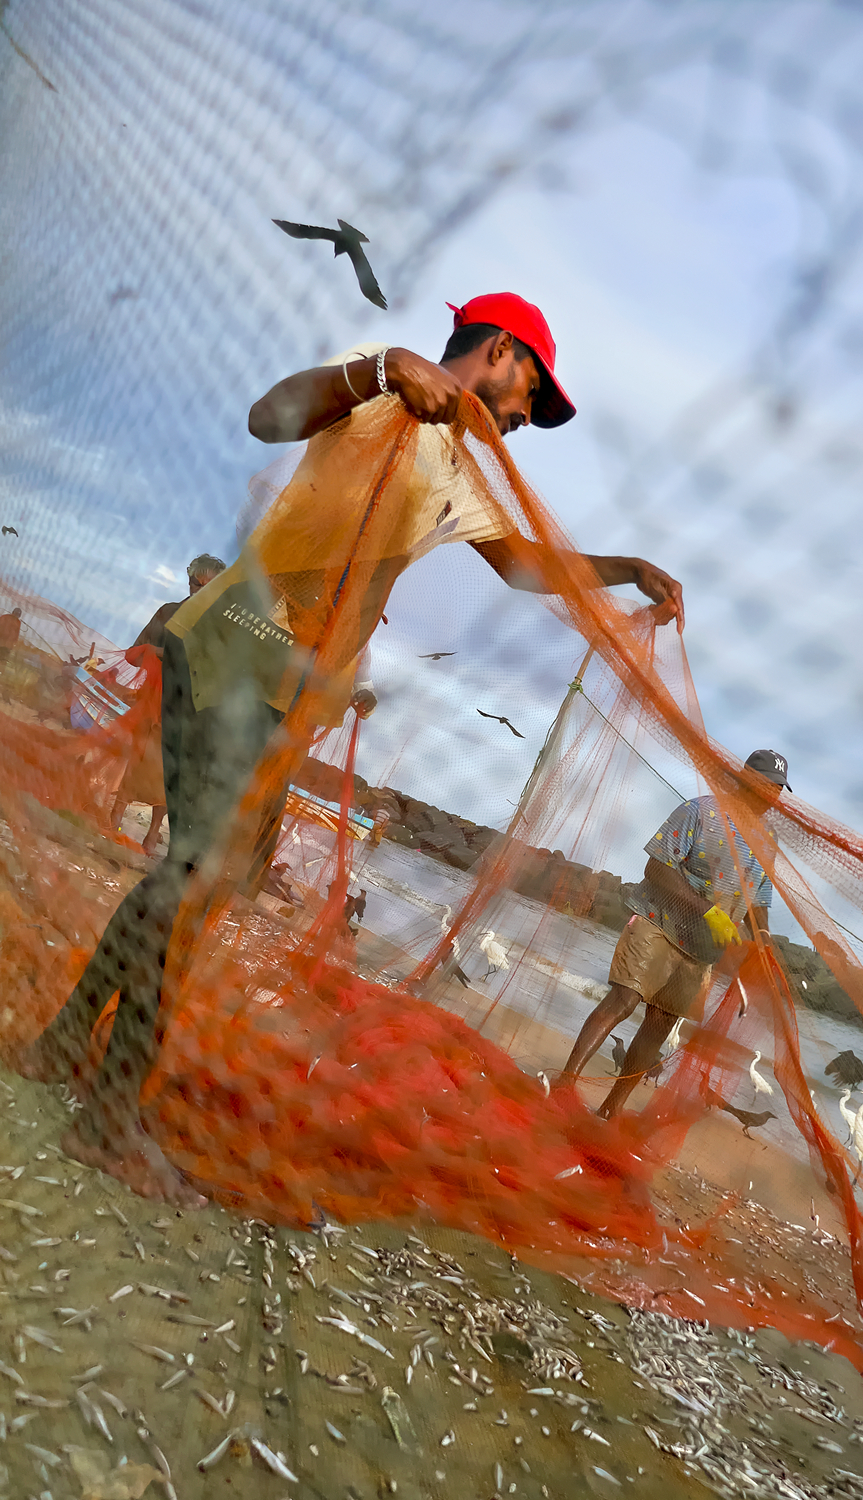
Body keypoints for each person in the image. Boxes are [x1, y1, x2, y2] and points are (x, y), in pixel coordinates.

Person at [23, 292, 685, 1206]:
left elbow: (527, 565)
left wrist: (624, 570)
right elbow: (268, 417)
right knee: (200, 881)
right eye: (532, 392)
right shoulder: (382, 386)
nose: (527, 418)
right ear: (498, 351)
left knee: (192, 876)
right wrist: (377, 371)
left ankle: (62, 1045)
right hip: (238, 643)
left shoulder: (460, 468)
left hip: (289, 688)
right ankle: (107, 1116)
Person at [560, 750, 791, 1118]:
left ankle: (610, 1111)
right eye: (767, 786)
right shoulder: (700, 811)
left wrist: (761, 934)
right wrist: (708, 910)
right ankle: (564, 1085)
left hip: (701, 949)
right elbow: (656, 867)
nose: (773, 797)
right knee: (624, 1000)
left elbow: (758, 897)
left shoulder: (768, 839)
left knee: (659, 1026)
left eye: (778, 790)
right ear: (746, 778)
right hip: (659, 920)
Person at [108, 555, 227, 854]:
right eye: (195, 583)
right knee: (139, 759)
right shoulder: (168, 612)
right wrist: (154, 652)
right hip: (153, 704)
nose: (200, 591)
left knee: (170, 770)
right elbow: (134, 654)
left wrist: (161, 653)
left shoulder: (219, 629)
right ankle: (115, 819)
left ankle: (151, 834)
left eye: (209, 587)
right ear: (188, 582)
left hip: (188, 710)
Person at [0, 606, 22, 697]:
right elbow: (15, 636)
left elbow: (16, 636)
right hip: (6, 646)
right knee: (2, 663)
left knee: (3, 663)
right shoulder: (16, 622)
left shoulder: (5, 617)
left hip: (5, 645)